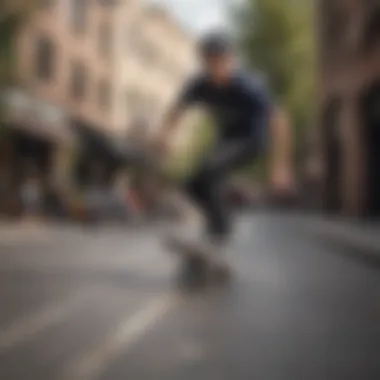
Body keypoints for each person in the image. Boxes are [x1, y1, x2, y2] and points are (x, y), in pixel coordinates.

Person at [154, 31, 293, 265]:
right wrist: (163, 136)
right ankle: (217, 228)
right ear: (203, 62)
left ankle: (219, 233)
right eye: (210, 62)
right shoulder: (199, 85)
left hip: (252, 140)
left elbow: (279, 121)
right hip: (226, 141)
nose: (216, 68)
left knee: (210, 170)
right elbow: (176, 110)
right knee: (193, 182)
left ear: (231, 60)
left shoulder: (248, 85)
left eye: (220, 62)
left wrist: (280, 167)